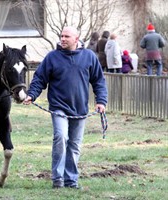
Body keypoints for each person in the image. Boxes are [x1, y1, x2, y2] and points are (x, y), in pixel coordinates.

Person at [23, 26, 108, 189]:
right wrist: (31, 94)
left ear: (76, 39)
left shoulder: (89, 57)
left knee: (75, 145)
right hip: (58, 106)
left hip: (80, 108)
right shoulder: (52, 57)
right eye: (61, 36)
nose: (62, 39)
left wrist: (101, 101)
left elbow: (99, 81)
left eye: (66, 36)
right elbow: (40, 78)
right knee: (61, 137)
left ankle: (71, 180)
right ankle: (58, 179)